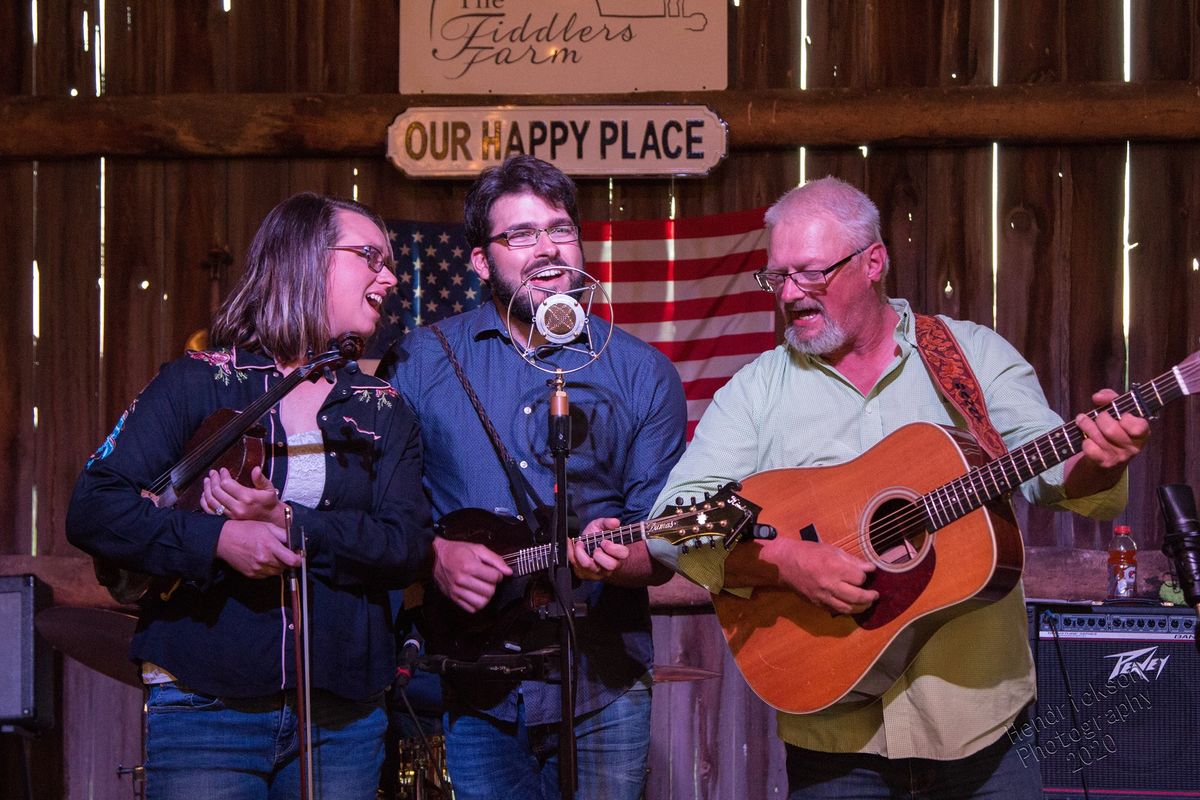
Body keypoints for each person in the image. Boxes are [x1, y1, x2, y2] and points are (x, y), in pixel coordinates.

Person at [647, 176, 1150, 799]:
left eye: (810, 273)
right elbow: (673, 523)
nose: (790, 295)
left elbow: (1055, 475)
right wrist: (785, 562)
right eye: (777, 277)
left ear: (874, 261)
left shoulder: (970, 357)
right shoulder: (756, 392)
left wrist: (1100, 459)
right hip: (834, 741)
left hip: (980, 726)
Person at [67, 192, 433, 799]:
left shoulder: (383, 408)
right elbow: (95, 506)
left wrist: (291, 521)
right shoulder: (197, 381)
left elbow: (406, 546)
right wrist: (220, 539)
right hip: (205, 706)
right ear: (306, 258)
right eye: (371, 256)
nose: (390, 278)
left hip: (342, 717)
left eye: (389, 262)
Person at [385, 154, 686, 800]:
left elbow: (662, 550)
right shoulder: (419, 363)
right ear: (478, 260)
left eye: (560, 230)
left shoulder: (642, 373)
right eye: (520, 234)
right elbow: (382, 514)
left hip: (602, 681)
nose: (547, 248)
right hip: (475, 685)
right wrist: (434, 555)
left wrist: (622, 555)